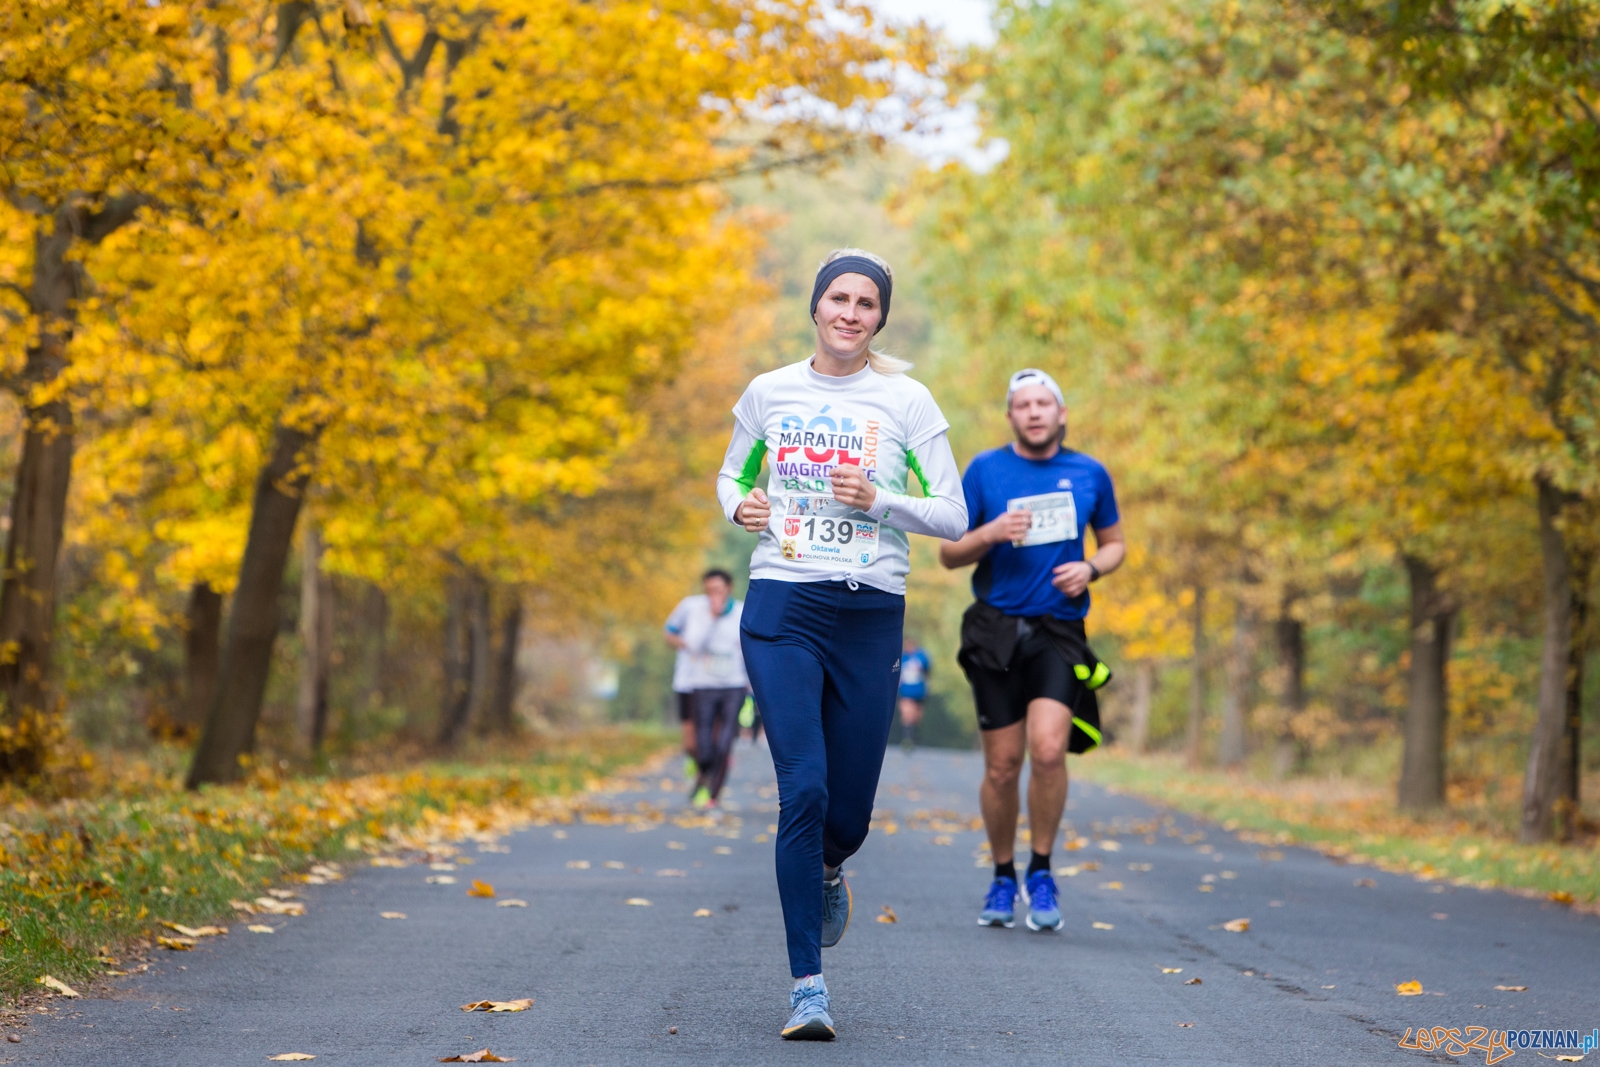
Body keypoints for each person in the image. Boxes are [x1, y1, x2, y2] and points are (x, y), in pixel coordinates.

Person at [717, 248, 967, 1040]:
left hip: (868, 614)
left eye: (866, 302)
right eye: (839, 298)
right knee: (807, 788)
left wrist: (883, 500)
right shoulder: (770, 392)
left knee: (848, 814)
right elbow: (730, 477)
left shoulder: (907, 400)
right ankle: (807, 987)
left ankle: (831, 866)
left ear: (880, 317)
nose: (851, 313)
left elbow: (955, 516)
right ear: (816, 306)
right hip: (783, 603)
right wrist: (742, 509)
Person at [938, 368, 1125, 933]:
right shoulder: (985, 470)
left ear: (1061, 413)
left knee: (1048, 752)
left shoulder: (1089, 473)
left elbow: (1115, 544)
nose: (1035, 412)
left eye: (1045, 403)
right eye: (1024, 404)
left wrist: (1090, 567)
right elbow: (949, 553)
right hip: (995, 629)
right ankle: (1002, 875)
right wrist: (991, 533)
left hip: (1059, 631)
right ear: (1011, 416)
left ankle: (1041, 870)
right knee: (1001, 767)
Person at [663, 570, 748, 807]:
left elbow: (746, 648)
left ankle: (713, 794)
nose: (713, 595)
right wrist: (709, 620)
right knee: (699, 744)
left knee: (723, 741)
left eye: (718, 590)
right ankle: (704, 771)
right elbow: (680, 638)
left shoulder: (742, 612)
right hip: (698, 683)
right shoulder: (694, 609)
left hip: (733, 685)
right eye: (709, 590)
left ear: (729, 588)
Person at [896, 638, 931, 750]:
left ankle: (915, 734)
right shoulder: (901, 657)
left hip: (919, 691)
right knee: (906, 713)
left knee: (916, 716)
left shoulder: (922, 657)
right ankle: (907, 738)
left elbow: (927, 671)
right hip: (905, 691)